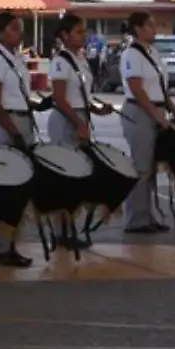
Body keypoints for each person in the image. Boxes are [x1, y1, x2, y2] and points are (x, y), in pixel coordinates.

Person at [0, 12, 38, 266]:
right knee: (6, 188)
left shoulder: (17, 58)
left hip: (22, 119)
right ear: (0, 32)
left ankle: (9, 243)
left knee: (19, 188)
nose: (19, 32)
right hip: (5, 124)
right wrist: (13, 131)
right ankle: (1, 246)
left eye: (21, 28)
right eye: (14, 28)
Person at [118, 12, 175, 235]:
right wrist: (156, 115)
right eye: (150, 25)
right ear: (138, 29)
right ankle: (136, 218)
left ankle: (147, 215)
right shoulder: (132, 54)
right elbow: (137, 89)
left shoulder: (152, 52)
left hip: (155, 109)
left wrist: (172, 109)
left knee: (150, 169)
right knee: (141, 167)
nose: (155, 29)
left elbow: (160, 86)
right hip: (140, 111)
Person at [46, 13, 100, 248]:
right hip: (66, 120)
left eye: (84, 31)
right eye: (78, 32)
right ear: (64, 35)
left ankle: (70, 230)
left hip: (79, 116)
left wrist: (96, 110)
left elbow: (81, 96)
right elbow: (59, 98)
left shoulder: (80, 59)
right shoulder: (61, 61)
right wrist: (79, 124)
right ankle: (63, 232)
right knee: (66, 177)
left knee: (77, 176)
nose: (83, 36)